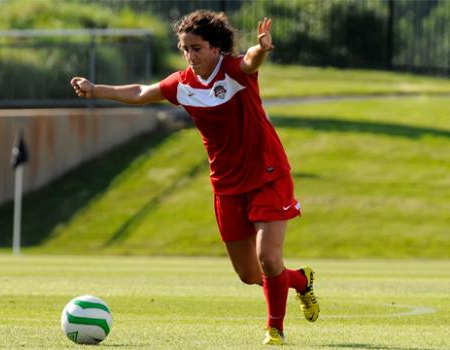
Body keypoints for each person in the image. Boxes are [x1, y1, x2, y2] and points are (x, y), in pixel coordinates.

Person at [70, 10, 319, 346]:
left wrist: (262, 49)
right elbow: (142, 92)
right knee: (249, 275)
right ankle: (300, 281)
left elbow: (250, 62)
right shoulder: (182, 84)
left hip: (267, 175)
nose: (190, 55)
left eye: (197, 48)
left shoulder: (233, 71)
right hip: (227, 186)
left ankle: (274, 329)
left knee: (268, 257)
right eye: (185, 48)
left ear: (216, 48)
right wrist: (95, 89)